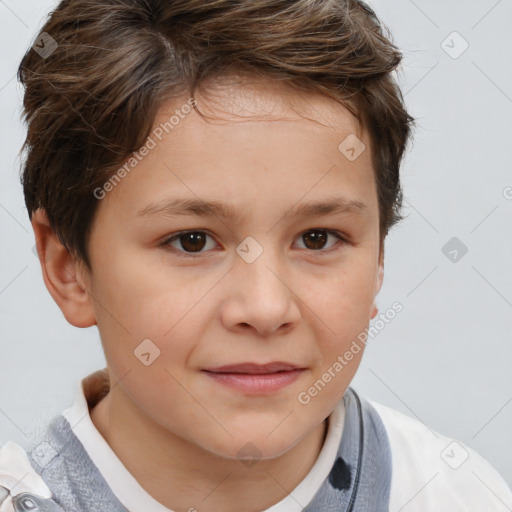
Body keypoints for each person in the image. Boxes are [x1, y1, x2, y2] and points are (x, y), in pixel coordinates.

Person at [1, 0, 511, 510]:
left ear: (379, 259)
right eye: (192, 241)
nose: (266, 309)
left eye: (318, 238)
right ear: (68, 269)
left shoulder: (458, 495)